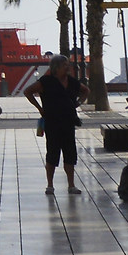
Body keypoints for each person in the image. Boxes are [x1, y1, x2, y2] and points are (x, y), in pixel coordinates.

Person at [24, 53, 85, 194]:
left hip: (68, 121)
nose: (68, 67)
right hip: (52, 122)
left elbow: (85, 91)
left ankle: (71, 185)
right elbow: (28, 92)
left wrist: (77, 104)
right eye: (65, 65)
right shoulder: (46, 81)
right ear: (56, 67)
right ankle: (50, 185)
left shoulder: (71, 81)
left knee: (70, 153)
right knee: (52, 153)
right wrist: (40, 108)